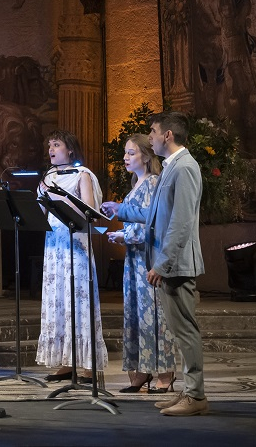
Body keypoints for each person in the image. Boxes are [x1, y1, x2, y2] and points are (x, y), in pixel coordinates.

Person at [102, 112, 208, 416]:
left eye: (153, 131)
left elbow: (181, 222)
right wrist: (121, 209)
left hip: (177, 264)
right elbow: (155, 215)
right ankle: (189, 392)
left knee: (185, 331)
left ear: (168, 135)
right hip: (168, 262)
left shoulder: (185, 168)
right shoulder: (173, 168)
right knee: (179, 331)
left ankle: (196, 396)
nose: (150, 137)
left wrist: (162, 264)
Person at [105, 134, 177, 393]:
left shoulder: (153, 183)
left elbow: (156, 223)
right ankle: (142, 370)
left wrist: (125, 234)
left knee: (155, 316)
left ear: (146, 157)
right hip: (133, 262)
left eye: (131, 153)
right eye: (125, 152)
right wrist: (121, 234)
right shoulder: (136, 184)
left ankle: (165, 373)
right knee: (137, 316)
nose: (126, 157)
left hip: (149, 259)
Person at [35, 130, 108, 382]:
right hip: (54, 245)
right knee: (58, 300)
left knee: (77, 299)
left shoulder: (83, 174)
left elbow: (91, 212)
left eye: (56, 144)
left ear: (70, 150)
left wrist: (59, 197)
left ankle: (87, 365)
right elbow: (41, 213)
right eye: (49, 145)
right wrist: (43, 197)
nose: (51, 149)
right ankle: (66, 361)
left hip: (76, 242)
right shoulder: (48, 176)